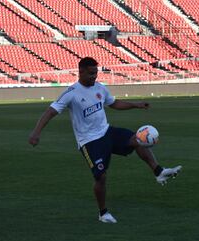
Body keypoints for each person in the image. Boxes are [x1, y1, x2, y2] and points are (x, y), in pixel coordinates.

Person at [28, 57, 182, 223]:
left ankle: (158, 172)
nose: (94, 76)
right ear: (80, 71)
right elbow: (50, 112)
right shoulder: (71, 93)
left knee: (137, 139)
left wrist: (136, 105)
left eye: (96, 73)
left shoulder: (100, 88)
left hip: (107, 132)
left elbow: (114, 103)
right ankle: (103, 213)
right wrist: (36, 132)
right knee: (101, 177)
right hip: (89, 141)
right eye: (91, 73)